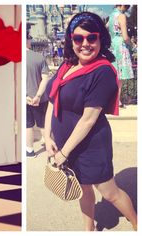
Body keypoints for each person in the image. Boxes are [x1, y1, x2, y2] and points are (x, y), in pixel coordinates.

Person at [44, 12, 137, 231]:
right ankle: (88, 231)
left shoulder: (102, 72)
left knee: (109, 192)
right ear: (71, 41)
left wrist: (63, 154)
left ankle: (137, 223)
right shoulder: (66, 66)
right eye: (78, 38)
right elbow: (51, 100)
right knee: (84, 190)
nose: (85, 44)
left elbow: (88, 120)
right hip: (68, 145)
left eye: (91, 38)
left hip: (90, 146)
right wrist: (47, 137)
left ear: (100, 39)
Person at [26, 32, 50, 158]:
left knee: (28, 125)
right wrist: (38, 96)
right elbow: (45, 78)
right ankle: (50, 147)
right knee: (43, 124)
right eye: (30, 38)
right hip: (40, 99)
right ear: (26, 40)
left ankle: (30, 150)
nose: (31, 40)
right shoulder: (38, 57)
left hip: (25, 99)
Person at [108, 5, 134, 108]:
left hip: (113, 45)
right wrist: (132, 45)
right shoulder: (121, 16)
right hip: (121, 45)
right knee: (121, 75)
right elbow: (125, 36)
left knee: (115, 73)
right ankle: (116, 101)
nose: (127, 8)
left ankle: (112, 99)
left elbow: (106, 29)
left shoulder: (111, 16)